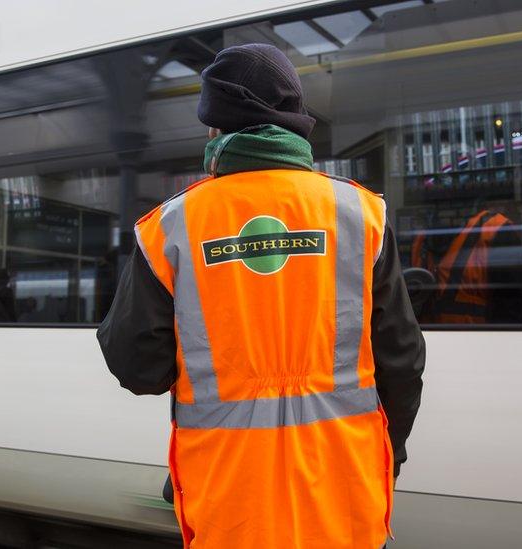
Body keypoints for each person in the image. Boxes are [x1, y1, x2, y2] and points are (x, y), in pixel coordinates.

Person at [97, 44, 425, 549]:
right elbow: (402, 361)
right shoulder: (362, 215)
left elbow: (137, 367)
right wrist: (387, 456)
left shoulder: (170, 227)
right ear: (294, 122)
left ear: (215, 129)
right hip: (348, 498)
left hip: (228, 507)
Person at [411, 205, 522, 323]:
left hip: (478, 339)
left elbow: (512, 310)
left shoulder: (496, 230)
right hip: (427, 338)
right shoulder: (421, 240)